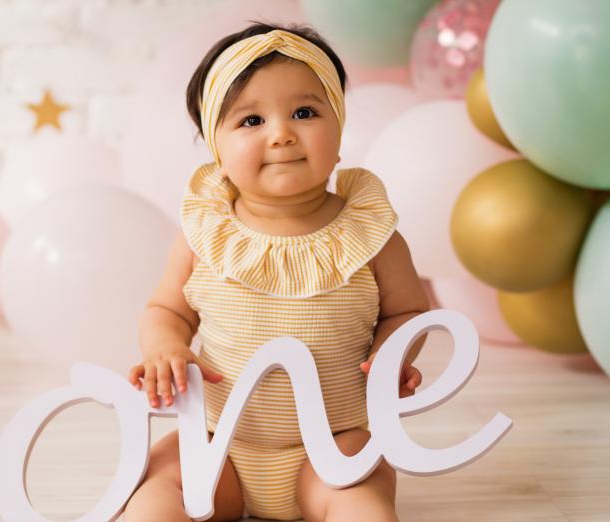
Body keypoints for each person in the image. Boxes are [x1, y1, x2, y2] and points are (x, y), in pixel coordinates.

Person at [125, 22, 431, 521]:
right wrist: (166, 348)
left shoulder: (373, 237)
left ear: (340, 126)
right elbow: (166, 310)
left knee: (360, 498)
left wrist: (392, 352)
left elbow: (409, 311)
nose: (282, 133)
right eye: (250, 121)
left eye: (305, 112)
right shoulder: (206, 237)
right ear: (215, 149)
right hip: (220, 442)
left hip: (334, 443)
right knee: (158, 488)